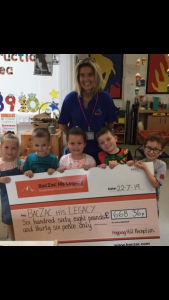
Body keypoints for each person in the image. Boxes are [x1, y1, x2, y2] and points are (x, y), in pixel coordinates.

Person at [58, 57, 117, 164]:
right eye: (82, 75)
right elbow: (62, 123)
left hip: (99, 149)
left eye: (90, 74)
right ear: (78, 77)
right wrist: (73, 138)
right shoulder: (70, 98)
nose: (86, 79)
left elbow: (111, 122)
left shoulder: (105, 98)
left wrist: (103, 138)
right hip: (76, 151)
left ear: (96, 76)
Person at [127, 132, 167, 214]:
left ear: (161, 151)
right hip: (140, 200)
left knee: (152, 222)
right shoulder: (140, 163)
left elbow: (156, 184)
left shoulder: (161, 165)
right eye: (149, 148)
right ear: (144, 148)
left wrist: (145, 168)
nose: (152, 152)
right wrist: (130, 165)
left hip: (153, 201)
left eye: (156, 149)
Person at [0, 131, 25, 240]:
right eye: (6, 147)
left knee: (22, 219)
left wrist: (27, 173)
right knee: (10, 220)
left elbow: (29, 177)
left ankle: (23, 240)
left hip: (21, 197)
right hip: (6, 198)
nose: (10, 151)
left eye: (13, 148)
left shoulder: (21, 163)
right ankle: (13, 240)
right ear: (1, 147)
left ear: (18, 148)